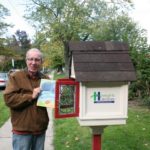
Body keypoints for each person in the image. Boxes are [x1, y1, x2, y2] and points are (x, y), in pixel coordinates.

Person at [3, 48, 49, 150]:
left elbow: (50, 101)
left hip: (40, 129)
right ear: (26, 60)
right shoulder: (15, 77)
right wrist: (31, 96)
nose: (33, 62)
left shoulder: (46, 79)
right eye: (30, 59)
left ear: (41, 62)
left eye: (37, 60)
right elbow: (8, 99)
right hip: (22, 131)